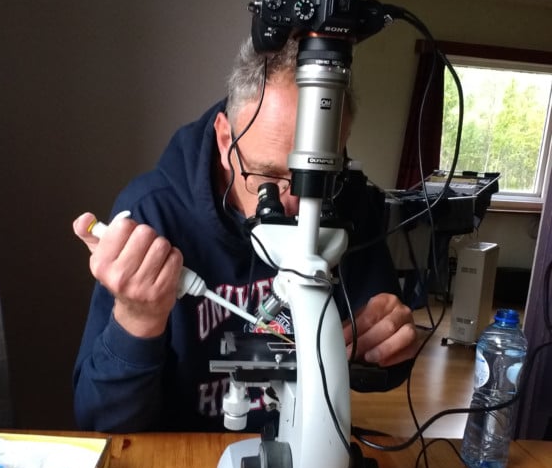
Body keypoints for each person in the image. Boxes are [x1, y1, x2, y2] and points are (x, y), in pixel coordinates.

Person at [73, 37, 418, 433]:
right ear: (226, 142)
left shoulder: (351, 204)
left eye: (319, 181)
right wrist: (137, 320)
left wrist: (387, 346)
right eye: (269, 177)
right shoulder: (152, 212)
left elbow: (384, 368)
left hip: (304, 441)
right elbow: (100, 423)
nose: (294, 206)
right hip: (185, 459)